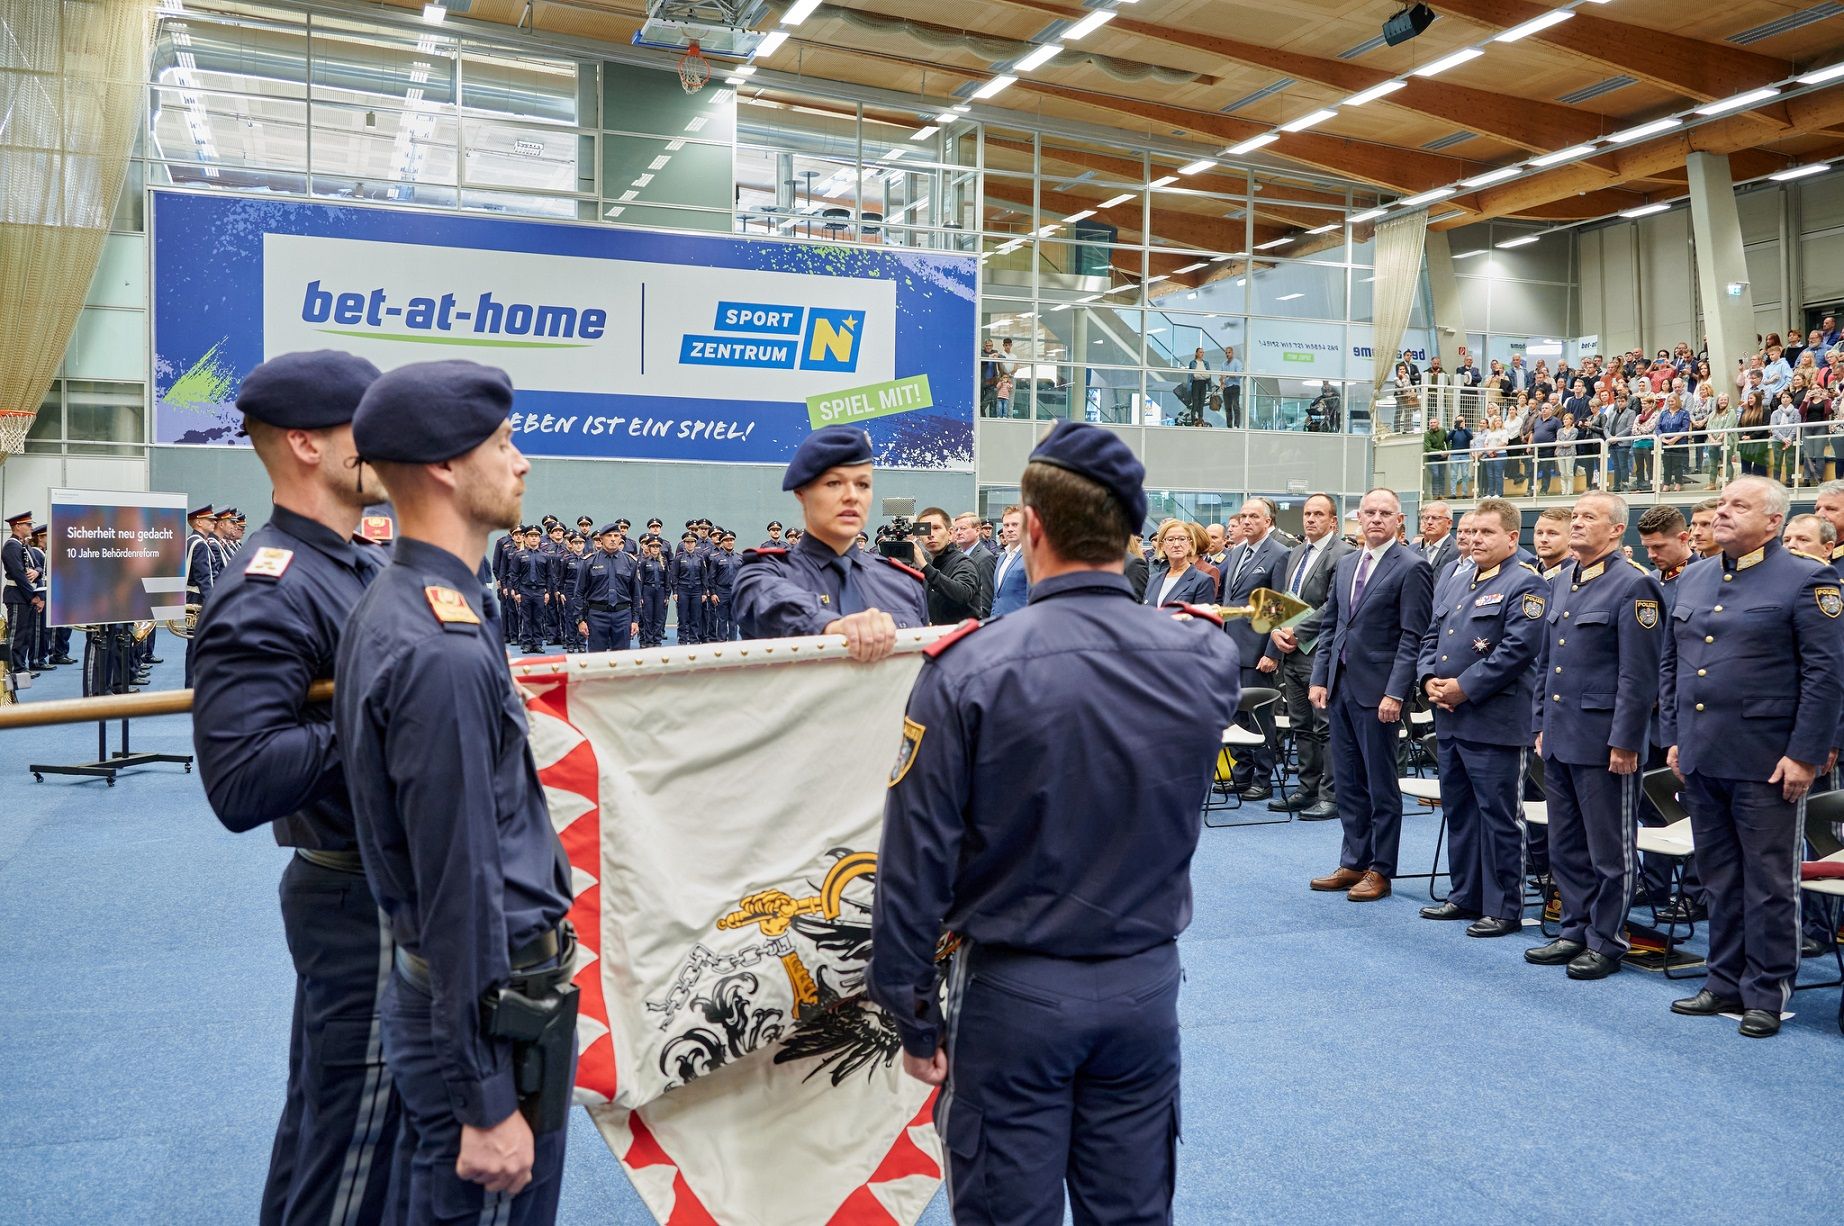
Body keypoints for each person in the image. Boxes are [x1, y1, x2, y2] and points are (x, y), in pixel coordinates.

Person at [868, 419, 1241, 1226]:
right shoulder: (1203, 657)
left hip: (1015, 992)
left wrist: (908, 1006)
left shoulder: (968, 669)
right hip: (1145, 987)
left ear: (1031, 528)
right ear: (1135, 537)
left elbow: (915, 863)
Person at [335, 360, 578, 1224]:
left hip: (478, 998)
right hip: (490, 1008)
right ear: (444, 465)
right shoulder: (438, 645)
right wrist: (483, 1097)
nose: (522, 463)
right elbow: (457, 881)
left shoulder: (416, 603)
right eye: (505, 443)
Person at [187, 351, 404, 1225]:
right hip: (354, 895)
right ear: (308, 444)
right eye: (372, 428)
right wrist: (386, 714)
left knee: (337, 1129)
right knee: (354, 1148)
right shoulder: (266, 590)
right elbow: (240, 781)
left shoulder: (355, 565)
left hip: (387, 883)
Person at [1661, 477, 1843, 1037]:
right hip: (1701, 751)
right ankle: (1722, 981)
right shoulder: (1694, 575)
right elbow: (1674, 663)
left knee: (1768, 879)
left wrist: (1805, 754)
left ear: (1773, 521)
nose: (1723, 513)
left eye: (1739, 505)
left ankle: (1766, 990)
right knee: (1718, 874)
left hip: (1767, 758)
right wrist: (1674, 735)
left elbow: (1826, 675)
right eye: (1721, 504)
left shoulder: (1809, 579)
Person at [1527, 493, 1663, 980]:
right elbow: (1547, 663)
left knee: (1610, 848)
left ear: (1615, 531)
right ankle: (1574, 928)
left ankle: (1607, 939)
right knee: (1566, 843)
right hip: (1562, 735)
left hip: (1606, 740)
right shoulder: (1563, 579)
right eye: (1575, 516)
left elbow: (1639, 675)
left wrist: (1626, 740)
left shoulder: (1635, 586)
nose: (1578, 523)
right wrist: (1540, 725)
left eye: (1589, 517)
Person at [1417, 500, 1547, 937]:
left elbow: (1517, 650)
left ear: (1512, 538)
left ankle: (1504, 906)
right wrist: (1429, 680)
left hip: (1495, 717)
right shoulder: (1458, 577)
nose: (1475, 540)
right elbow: (1433, 635)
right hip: (1451, 716)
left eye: (1486, 533)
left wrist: (1463, 688)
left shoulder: (1526, 584)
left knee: (1499, 815)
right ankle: (1465, 894)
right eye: (1470, 533)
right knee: (1460, 810)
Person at [1308, 488, 1434, 902]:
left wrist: (1396, 692)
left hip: (1380, 692)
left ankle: (1380, 869)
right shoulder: (1346, 564)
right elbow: (1332, 626)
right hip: (1341, 687)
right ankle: (1354, 860)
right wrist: (1321, 677)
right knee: (1347, 781)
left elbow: (1412, 637)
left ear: (1399, 521)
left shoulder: (1411, 567)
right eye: (1369, 512)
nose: (1376, 519)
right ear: (1357, 519)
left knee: (1381, 785)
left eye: (1385, 513)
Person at [731, 425, 927, 658]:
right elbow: (767, 601)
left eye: (863, 484)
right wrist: (833, 627)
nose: (852, 496)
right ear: (801, 492)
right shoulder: (765, 575)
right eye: (834, 483)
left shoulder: (903, 584)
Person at [1268, 493, 1352, 820]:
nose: (1311, 519)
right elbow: (1284, 600)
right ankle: (1307, 788)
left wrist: (1296, 632)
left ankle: (1331, 795)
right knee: (1301, 725)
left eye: (1319, 514)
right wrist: (1276, 629)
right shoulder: (1295, 553)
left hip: (1321, 653)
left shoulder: (1344, 554)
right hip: (1291, 653)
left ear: (1333, 520)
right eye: (1307, 513)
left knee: (1325, 727)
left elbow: (1335, 606)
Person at [1221, 498, 1289, 801]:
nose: (1246, 521)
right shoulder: (1236, 552)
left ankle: (1263, 777)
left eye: (1253, 517)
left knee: (1260, 716)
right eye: (1243, 516)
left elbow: (1278, 607)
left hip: (1257, 649)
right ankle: (1242, 772)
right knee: (1235, 714)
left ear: (1267, 521)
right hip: (1230, 648)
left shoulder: (1279, 554)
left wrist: (1271, 653)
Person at [574, 525, 640, 651]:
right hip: (597, 615)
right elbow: (579, 593)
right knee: (597, 658)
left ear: (620, 538)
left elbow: (635, 593)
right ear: (601, 539)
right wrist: (580, 620)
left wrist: (635, 620)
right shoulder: (589, 561)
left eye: (616, 536)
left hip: (622, 615)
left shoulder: (630, 561)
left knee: (621, 658)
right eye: (609, 536)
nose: (613, 539)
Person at [914, 506, 981, 625]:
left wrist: (925, 567)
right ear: (919, 536)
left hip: (961, 639)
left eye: (936, 528)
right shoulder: (928, 565)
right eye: (925, 529)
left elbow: (962, 594)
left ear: (950, 533)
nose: (930, 534)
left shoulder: (964, 562)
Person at [1144, 518, 1215, 608]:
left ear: (1190, 544)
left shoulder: (1202, 581)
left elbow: (1202, 619)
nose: (1176, 544)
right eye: (1170, 539)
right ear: (1162, 546)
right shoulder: (1153, 580)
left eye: (1182, 539)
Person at [989, 505, 1030, 617]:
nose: (1010, 529)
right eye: (1006, 525)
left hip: (1021, 624)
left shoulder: (1031, 557)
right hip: (998, 623)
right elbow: (996, 597)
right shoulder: (1002, 557)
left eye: (1015, 524)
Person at [953, 512, 997, 618]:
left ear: (977, 530)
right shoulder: (957, 556)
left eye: (963, 528)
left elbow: (985, 600)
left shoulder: (985, 558)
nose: (958, 533)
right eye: (956, 529)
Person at [1416, 501, 1457, 574]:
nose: (1429, 522)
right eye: (1426, 518)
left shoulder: (1457, 550)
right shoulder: (1420, 550)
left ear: (1449, 523)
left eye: (1435, 518)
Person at [1219, 345, 1244, 427]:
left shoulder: (1237, 362)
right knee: (1227, 408)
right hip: (1226, 388)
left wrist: (1228, 375)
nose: (1227, 354)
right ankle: (1229, 426)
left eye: (1229, 352)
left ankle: (1237, 425)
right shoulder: (1223, 364)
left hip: (1234, 386)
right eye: (1226, 353)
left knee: (1235, 406)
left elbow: (1239, 375)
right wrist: (1222, 383)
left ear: (1232, 353)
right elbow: (1221, 376)